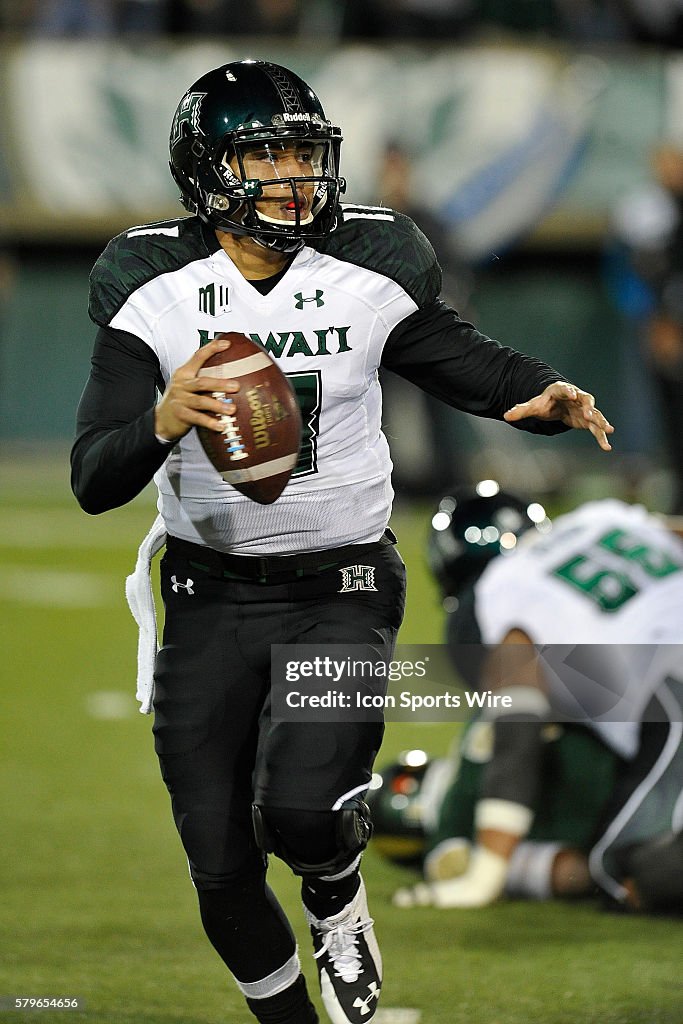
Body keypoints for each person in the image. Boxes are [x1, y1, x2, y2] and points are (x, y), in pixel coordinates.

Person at [70, 59, 614, 1024]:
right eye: (266, 156)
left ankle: (337, 897)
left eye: (304, 153)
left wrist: (537, 393)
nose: (294, 177)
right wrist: (161, 421)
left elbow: (458, 357)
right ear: (207, 171)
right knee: (220, 863)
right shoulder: (151, 282)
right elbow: (92, 478)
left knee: (303, 812)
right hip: (206, 593)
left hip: (344, 580)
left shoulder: (366, 261)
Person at [393, 487, 683, 914]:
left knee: (619, 871)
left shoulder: (494, 594)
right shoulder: (597, 513)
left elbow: (518, 716)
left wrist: (488, 871)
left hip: (671, 703)